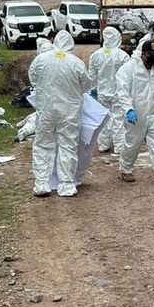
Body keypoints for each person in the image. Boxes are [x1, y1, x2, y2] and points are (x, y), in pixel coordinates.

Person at [28, 31, 91, 197]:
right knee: (68, 145)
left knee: (43, 144)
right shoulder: (76, 63)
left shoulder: (40, 59)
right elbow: (86, 85)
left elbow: (33, 79)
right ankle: (67, 184)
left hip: (46, 109)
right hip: (69, 111)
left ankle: (42, 183)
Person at [115, 40, 154, 187]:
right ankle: (125, 169)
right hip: (136, 115)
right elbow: (122, 91)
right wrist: (128, 109)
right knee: (132, 144)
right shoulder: (129, 69)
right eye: (151, 55)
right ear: (143, 54)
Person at [88, 27, 130, 153]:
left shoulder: (96, 55)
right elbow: (128, 76)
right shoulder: (122, 56)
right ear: (118, 37)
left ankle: (103, 144)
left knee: (104, 119)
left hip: (102, 92)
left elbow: (92, 76)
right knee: (118, 119)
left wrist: (93, 89)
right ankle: (119, 146)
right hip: (118, 92)